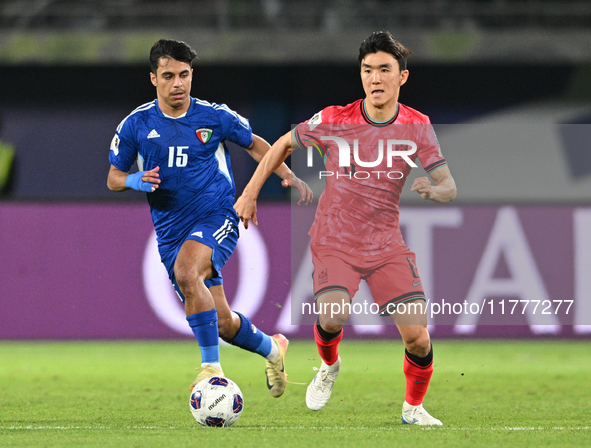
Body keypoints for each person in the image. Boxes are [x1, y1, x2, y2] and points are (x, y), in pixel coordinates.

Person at [234, 31, 457, 425]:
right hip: (335, 239)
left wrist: (437, 191)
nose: (374, 78)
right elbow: (283, 143)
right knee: (333, 316)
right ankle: (330, 365)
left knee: (418, 338)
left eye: (384, 70)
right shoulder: (336, 118)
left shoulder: (417, 126)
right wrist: (251, 193)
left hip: (387, 244)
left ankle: (413, 408)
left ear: (402, 77)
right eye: (367, 70)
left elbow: (448, 183)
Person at [107, 39, 313, 397]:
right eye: (168, 76)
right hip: (171, 231)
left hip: (218, 214)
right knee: (220, 322)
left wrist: (287, 174)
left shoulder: (214, 116)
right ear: (153, 78)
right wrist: (133, 180)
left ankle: (210, 371)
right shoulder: (135, 125)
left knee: (188, 272)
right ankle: (272, 349)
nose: (178, 84)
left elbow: (256, 144)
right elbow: (113, 178)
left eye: (184, 75)